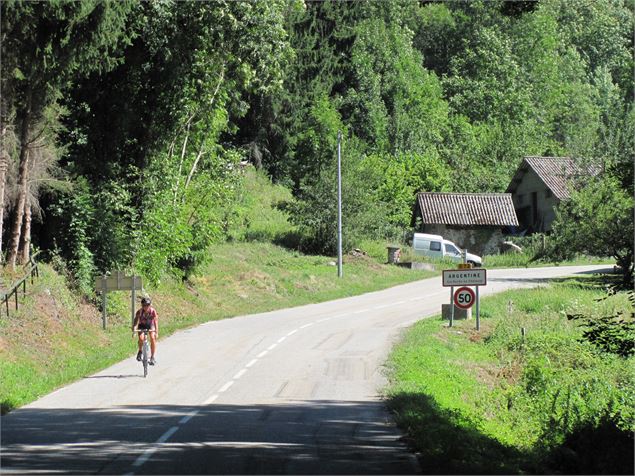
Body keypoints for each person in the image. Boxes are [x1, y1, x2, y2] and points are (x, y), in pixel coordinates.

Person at [132, 297, 159, 365]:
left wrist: (156, 332)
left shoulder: (153, 311)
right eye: (144, 305)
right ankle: (140, 351)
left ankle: (152, 357)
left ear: (150, 305)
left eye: (147, 305)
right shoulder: (139, 312)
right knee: (141, 338)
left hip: (150, 325)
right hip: (142, 325)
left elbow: (155, 322)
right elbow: (135, 321)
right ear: (142, 305)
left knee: (152, 338)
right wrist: (134, 329)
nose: (146, 307)